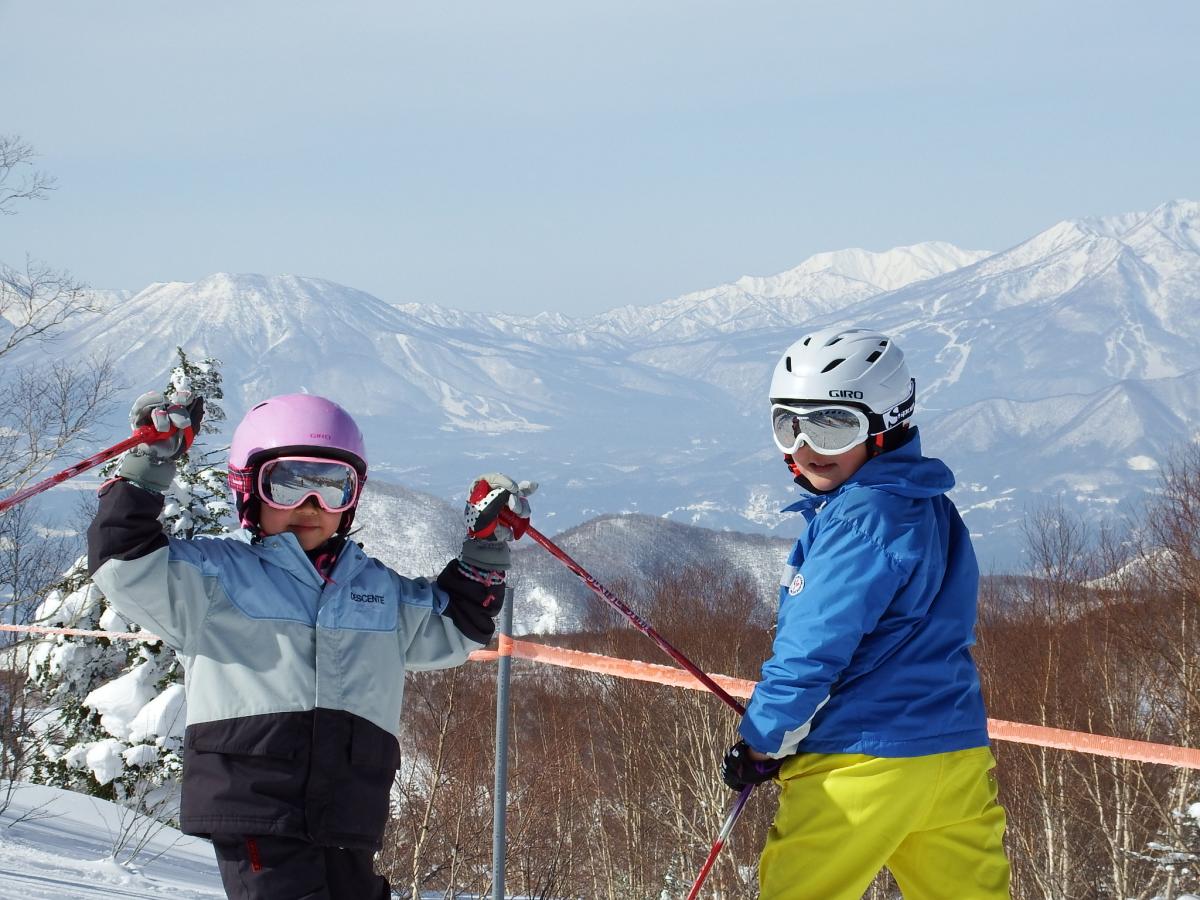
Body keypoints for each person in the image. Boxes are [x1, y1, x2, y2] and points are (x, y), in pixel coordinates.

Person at [87, 390, 535, 900]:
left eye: (331, 487)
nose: (310, 506)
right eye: (287, 484)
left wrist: (485, 545)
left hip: (348, 808)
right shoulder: (215, 579)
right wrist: (149, 466)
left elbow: (456, 627)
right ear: (248, 490)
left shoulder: (376, 590)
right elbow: (124, 565)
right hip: (255, 802)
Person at [721, 326, 1011, 899]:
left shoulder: (859, 522)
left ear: (885, 426)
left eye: (833, 426)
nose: (804, 447)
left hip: (858, 766)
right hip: (953, 759)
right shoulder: (931, 508)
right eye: (787, 425)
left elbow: (810, 653)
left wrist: (760, 743)